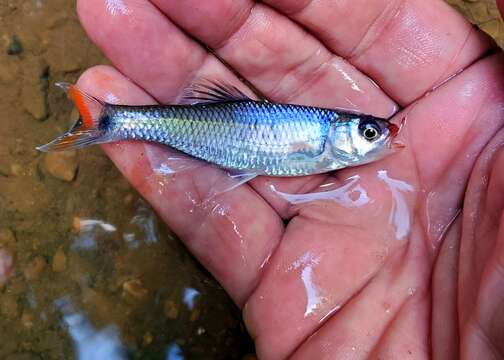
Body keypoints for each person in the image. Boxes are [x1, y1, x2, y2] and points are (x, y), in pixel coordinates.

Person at [75, 0, 504, 358]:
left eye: (370, 132)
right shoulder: (320, 140)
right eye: (368, 133)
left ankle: (113, 121)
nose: (378, 138)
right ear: (339, 134)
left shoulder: (326, 139)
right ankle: (114, 121)